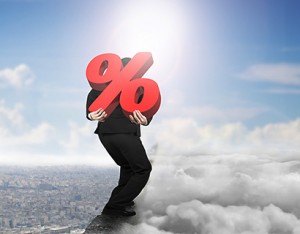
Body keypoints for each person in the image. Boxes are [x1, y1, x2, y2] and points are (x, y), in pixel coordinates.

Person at [86, 57, 152, 217]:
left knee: (128, 166)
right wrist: (146, 120)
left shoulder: (100, 88)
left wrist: (90, 115)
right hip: (125, 133)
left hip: (105, 134)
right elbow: (146, 111)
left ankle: (121, 199)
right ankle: (115, 205)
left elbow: (90, 110)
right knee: (143, 169)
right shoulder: (138, 89)